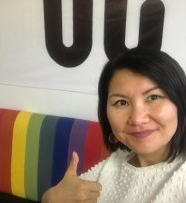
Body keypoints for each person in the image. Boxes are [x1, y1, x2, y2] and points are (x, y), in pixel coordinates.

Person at [41, 47, 186, 203]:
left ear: (180, 101)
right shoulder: (112, 165)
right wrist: (50, 198)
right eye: (121, 102)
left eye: (153, 97)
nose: (137, 119)